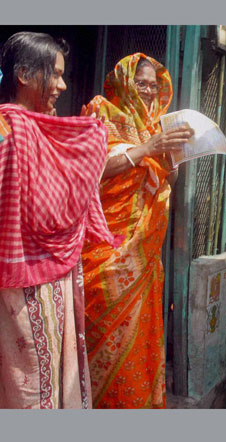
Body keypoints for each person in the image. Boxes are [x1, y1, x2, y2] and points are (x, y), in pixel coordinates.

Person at [0, 31, 118, 408]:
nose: (63, 85)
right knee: (28, 386)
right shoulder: (6, 132)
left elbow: (73, 188)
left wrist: (94, 140)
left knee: (44, 381)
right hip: (17, 292)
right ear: (22, 75)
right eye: (54, 74)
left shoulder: (46, 134)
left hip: (54, 284)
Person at [80, 53, 194, 409]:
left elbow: (165, 181)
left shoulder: (157, 125)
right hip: (105, 254)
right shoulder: (102, 113)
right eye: (141, 83)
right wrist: (146, 149)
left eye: (153, 86)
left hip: (144, 258)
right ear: (125, 82)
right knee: (99, 336)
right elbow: (90, 170)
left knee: (138, 342)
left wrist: (170, 160)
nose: (147, 92)